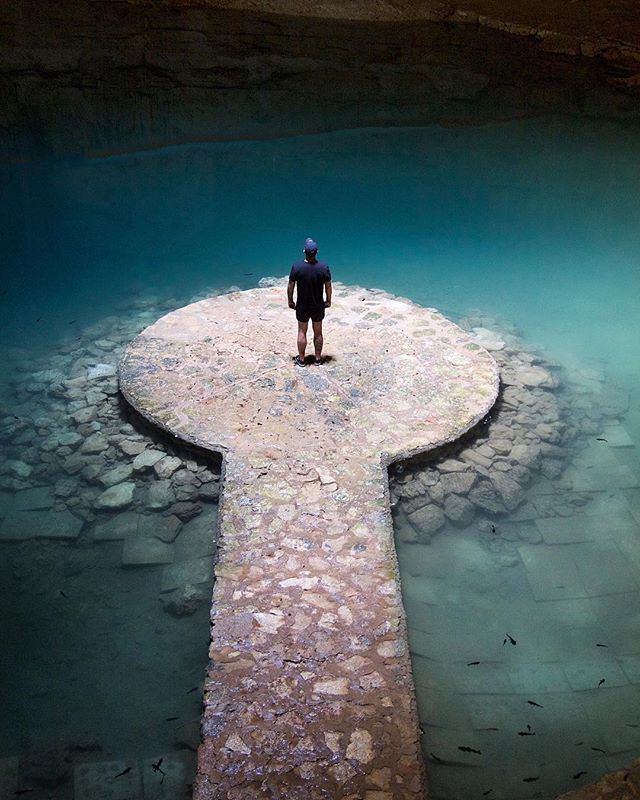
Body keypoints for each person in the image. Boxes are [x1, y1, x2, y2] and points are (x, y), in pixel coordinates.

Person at [287, 238, 332, 365]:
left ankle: (301, 359)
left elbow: (291, 285)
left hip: (302, 305)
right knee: (318, 332)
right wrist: (328, 300)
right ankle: (318, 358)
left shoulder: (297, 267)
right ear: (317, 252)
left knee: (302, 331)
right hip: (318, 305)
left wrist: (290, 301)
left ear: (304, 252)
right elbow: (328, 286)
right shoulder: (324, 267)